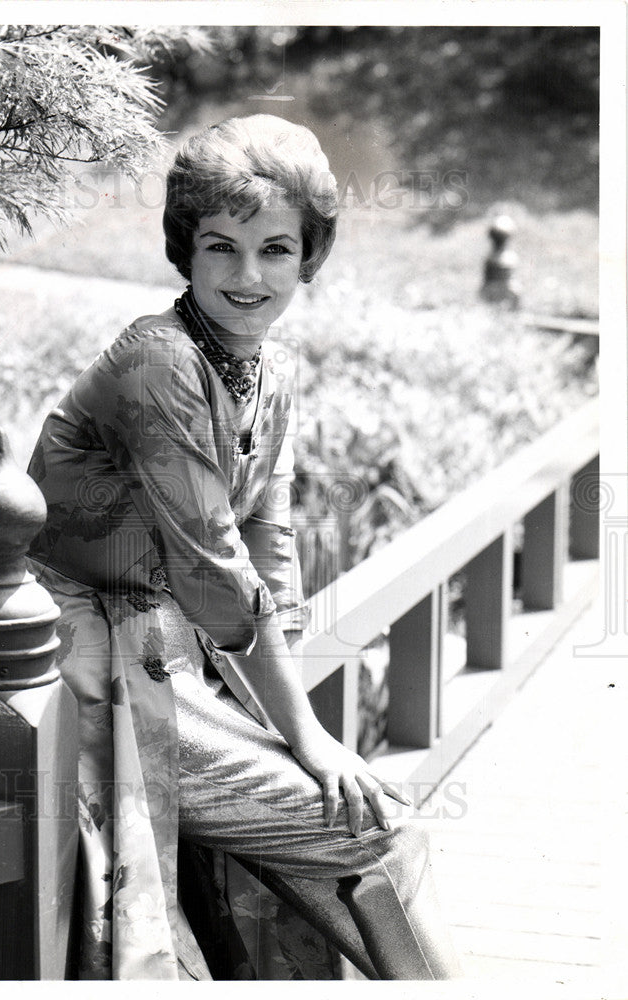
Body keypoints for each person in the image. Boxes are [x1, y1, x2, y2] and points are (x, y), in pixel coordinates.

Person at [27, 115, 460, 981]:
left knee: (360, 825)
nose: (248, 275)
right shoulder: (159, 361)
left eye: (276, 249)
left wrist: (289, 714)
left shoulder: (276, 369)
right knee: (371, 826)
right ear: (183, 251)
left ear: (310, 257)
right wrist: (305, 736)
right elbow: (211, 566)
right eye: (221, 246)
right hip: (93, 667)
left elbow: (270, 537)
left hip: (178, 656)